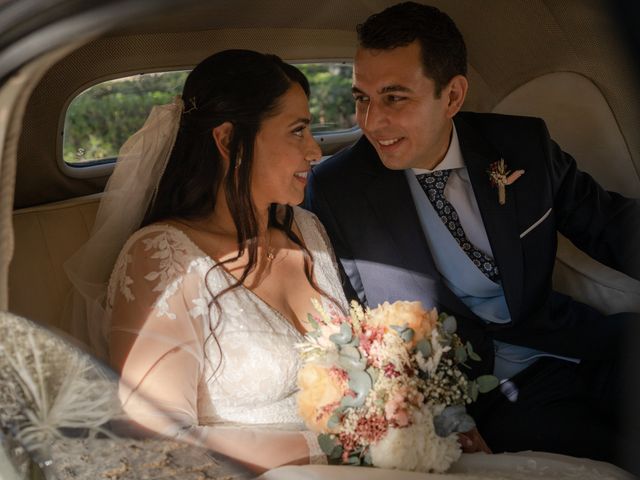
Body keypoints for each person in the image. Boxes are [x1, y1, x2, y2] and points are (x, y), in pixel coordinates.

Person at [306, 1, 640, 474]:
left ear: (453, 96)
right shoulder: (338, 189)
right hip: (484, 398)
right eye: (362, 98)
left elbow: (610, 225)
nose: (371, 121)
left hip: (577, 337)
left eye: (395, 98)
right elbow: (349, 323)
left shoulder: (522, 145)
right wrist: (439, 415)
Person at [65, 49, 351, 473]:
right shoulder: (162, 258)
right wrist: (329, 447)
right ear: (229, 141)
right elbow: (160, 442)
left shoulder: (307, 230)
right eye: (297, 131)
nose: (314, 150)